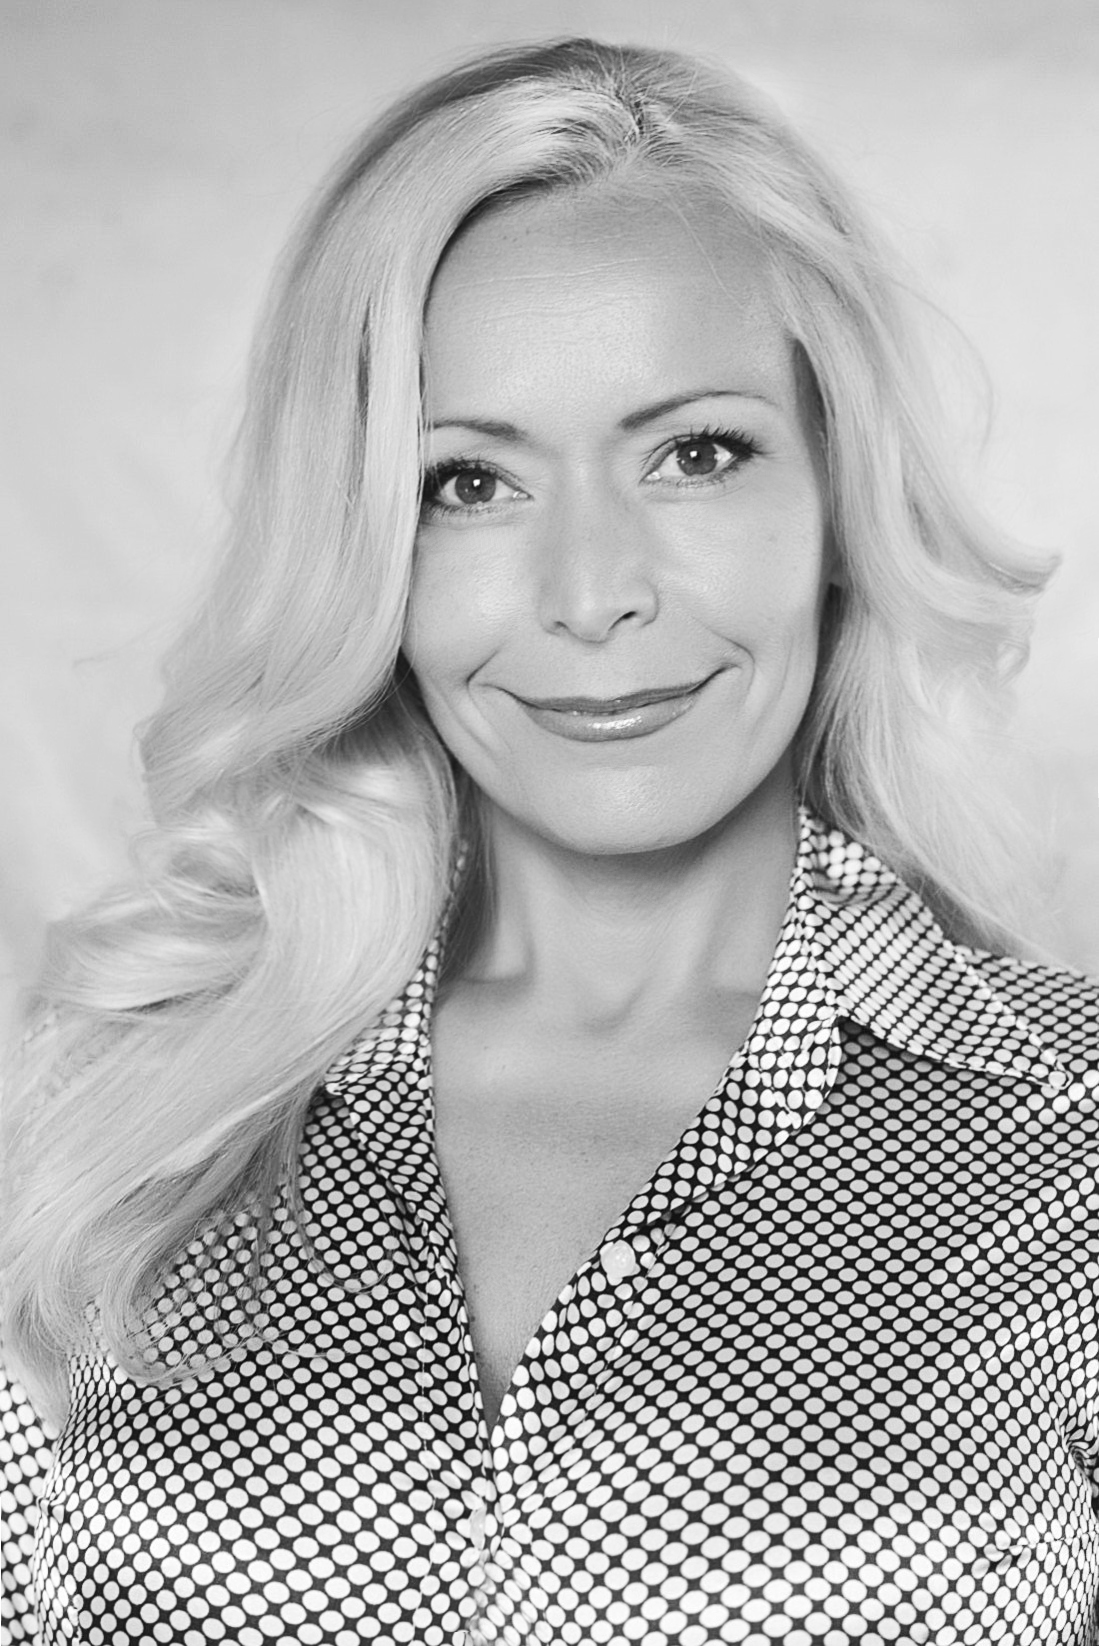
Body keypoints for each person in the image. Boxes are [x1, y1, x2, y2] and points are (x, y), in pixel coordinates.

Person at [1, 34, 1096, 1646]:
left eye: (697, 454)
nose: (592, 593)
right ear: (364, 546)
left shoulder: (1072, 1137)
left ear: (840, 499)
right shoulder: (116, 1107)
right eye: (469, 483)